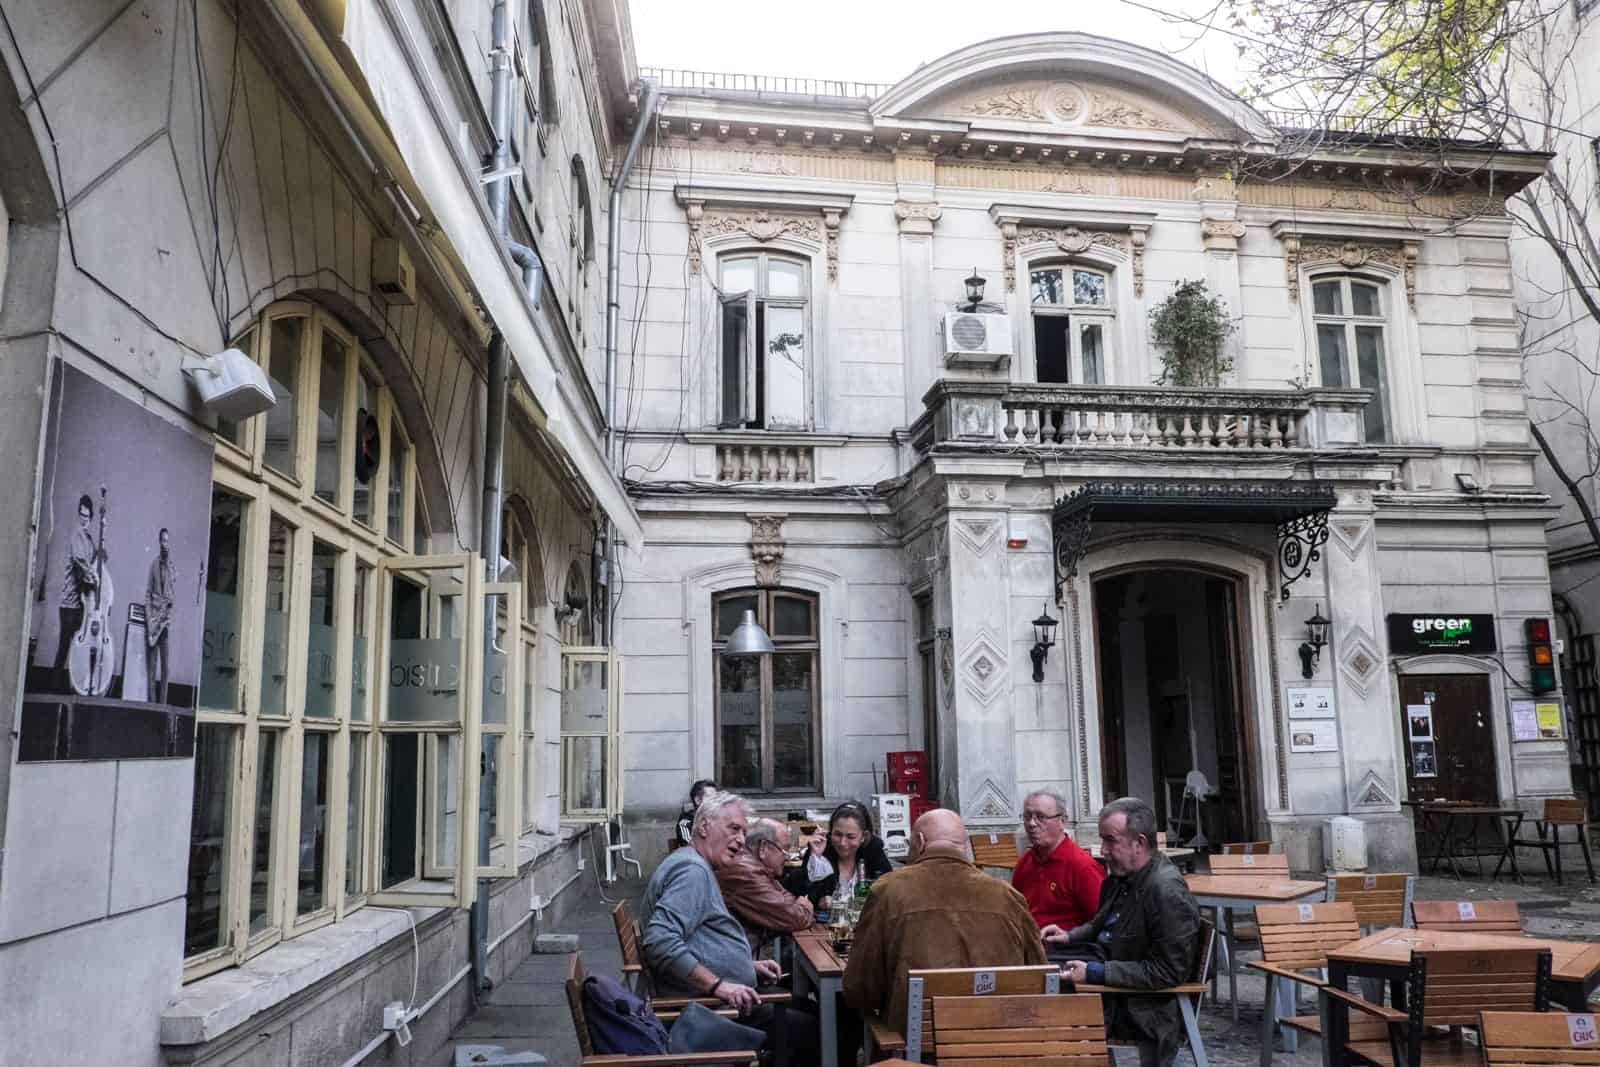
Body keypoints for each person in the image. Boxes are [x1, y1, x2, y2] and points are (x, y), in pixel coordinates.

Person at [641, 791, 817, 1057]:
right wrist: (719, 985)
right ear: (703, 826)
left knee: (814, 1011)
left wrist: (748, 966)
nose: (741, 840)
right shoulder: (692, 871)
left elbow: (693, 939)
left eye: (744, 832)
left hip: (718, 1000)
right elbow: (660, 941)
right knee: (822, 1027)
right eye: (734, 829)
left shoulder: (693, 864)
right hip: (706, 1010)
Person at [843, 808, 1046, 1031]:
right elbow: (1039, 975)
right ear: (965, 846)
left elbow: (859, 988)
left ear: (919, 842)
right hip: (997, 1045)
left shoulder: (888, 891)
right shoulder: (1008, 896)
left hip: (914, 1050)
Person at [1045, 797, 1200, 1067]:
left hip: (1139, 1004)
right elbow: (1099, 925)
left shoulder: (1166, 892)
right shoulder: (1122, 875)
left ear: (1139, 843)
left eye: (1110, 840)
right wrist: (1069, 936)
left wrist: (1095, 972)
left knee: (1040, 996)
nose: (1102, 850)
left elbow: (1168, 971)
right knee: (1032, 967)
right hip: (1105, 972)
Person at [1013, 788, 1104, 938]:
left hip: (1067, 952)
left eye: (1040, 817)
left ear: (1062, 821)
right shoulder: (1025, 862)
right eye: (1027, 816)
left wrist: (1069, 936)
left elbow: (1101, 923)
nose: (1031, 823)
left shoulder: (1082, 866)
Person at [716, 818, 814, 958]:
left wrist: (792, 906)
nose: (787, 857)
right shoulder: (746, 872)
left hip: (741, 956)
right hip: (734, 964)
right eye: (784, 849)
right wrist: (805, 907)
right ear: (763, 848)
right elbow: (794, 917)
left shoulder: (756, 867)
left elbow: (785, 899)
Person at [786, 800, 892, 910]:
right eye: (837, 834)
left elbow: (887, 890)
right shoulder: (820, 848)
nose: (842, 843)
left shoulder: (873, 851)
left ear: (864, 836)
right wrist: (815, 858)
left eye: (850, 837)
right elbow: (801, 892)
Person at [53, 492, 103, 682]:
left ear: (91, 517)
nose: (84, 519)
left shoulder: (89, 539)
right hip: (69, 603)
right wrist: (93, 576)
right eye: (81, 515)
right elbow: (80, 560)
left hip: (81, 603)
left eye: (87, 516)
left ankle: (68, 686)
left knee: (75, 647)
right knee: (64, 647)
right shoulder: (76, 534)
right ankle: (53, 689)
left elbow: (94, 557)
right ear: (78, 514)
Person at [146, 527, 176, 705]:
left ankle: (162, 705)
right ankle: (152, 704)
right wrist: (150, 620)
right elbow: (147, 594)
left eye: (167, 541)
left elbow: (172, 595)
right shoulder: (153, 565)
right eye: (163, 540)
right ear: (159, 542)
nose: (165, 544)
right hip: (154, 622)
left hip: (164, 623)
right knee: (152, 667)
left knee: (166, 668)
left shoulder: (171, 567)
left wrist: (168, 610)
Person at [674, 778, 718, 848]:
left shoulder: (718, 820)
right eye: (710, 798)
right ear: (697, 800)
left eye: (716, 798)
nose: (715, 802)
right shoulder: (685, 823)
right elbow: (691, 848)